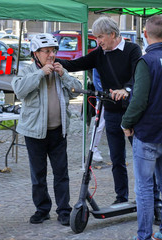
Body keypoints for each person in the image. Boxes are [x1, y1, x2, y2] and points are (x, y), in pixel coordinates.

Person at [56, 16, 142, 205]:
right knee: (117, 159)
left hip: (133, 113)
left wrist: (126, 90)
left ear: (113, 34)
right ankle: (121, 198)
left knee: (142, 157)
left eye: (101, 37)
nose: (98, 42)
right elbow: (75, 63)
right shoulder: (99, 54)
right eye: (96, 38)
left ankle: (150, 198)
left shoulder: (132, 50)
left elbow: (138, 76)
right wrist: (52, 59)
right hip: (111, 112)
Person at [121, 15, 162, 240]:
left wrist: (126, 123)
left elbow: (139, 100)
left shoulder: (146, 61)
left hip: (148, 133)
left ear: (145, 35)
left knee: (145, 187)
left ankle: (144, 236)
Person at [11, 33, 82, 226]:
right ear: (36, 53)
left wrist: (64, 75)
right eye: (47, 51)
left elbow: (78, 89)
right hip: (34, 133)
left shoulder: (60, 71)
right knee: (38, 174)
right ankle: (42, 210)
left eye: (54, 51)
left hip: (58, 131)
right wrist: (41, 73)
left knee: (61, 173)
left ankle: (64, 210)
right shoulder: (27, 71)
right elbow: (19, 90)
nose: (52, 55)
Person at [91, 68, 105, 162]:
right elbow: (97, 81)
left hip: (115, 97)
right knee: (99, 125)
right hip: (103, 99)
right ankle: (93, 148)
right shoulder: (98, 62)